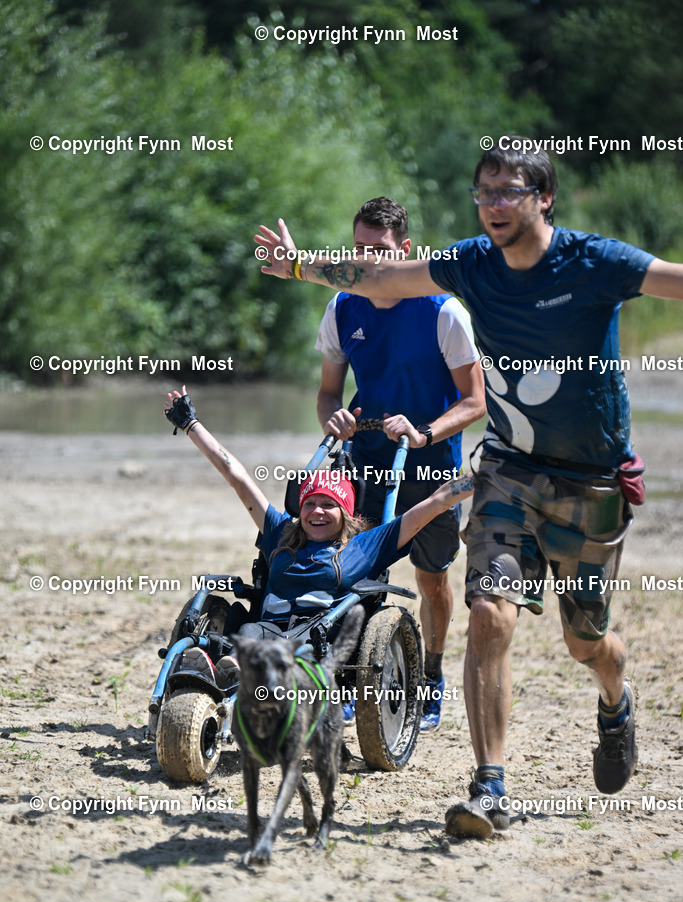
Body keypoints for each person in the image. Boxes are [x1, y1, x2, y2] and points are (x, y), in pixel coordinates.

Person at [254, 139, 683, 839]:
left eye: (508, 192)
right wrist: (301, 265)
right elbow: (383, 279)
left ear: (543, 196)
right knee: (489, 613)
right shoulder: (470, 264)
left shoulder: (596, 262)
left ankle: (615, 700)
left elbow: (674, 280)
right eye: (484, 194)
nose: (493, 207)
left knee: (586, 642)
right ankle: (489, 787)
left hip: (590, 477)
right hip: (507, 467)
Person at [315, 197, 485, 731]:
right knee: (357, 575)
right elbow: (326, 393)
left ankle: (429, 677)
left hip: (431, 466)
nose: (370, 261)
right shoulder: (343, 305)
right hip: (365, 460)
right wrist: (333, 420)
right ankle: (355, 680)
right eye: (360, 249)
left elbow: (476, 402)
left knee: (432, 580)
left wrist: (424, 431)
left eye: (381, 251)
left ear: (405, 250)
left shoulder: (443, 310)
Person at [164, 387, 474, 638]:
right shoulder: (281, 531)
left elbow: (436, 502)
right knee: (247, 634)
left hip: (317, 641)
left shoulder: (366, 546)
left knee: (277, 648)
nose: (317, 511)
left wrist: (484, 476)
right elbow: (239, 479)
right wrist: (191, 425)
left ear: (347, 513)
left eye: (329, 505)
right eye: (310, 503)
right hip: (262, 633)